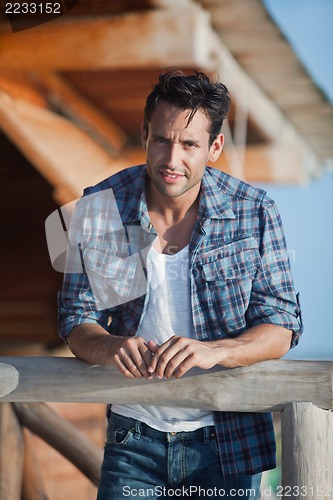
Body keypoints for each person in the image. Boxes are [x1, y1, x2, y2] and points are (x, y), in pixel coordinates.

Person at [58, 69, 302, 499]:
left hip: (228, 441)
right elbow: (76, 318)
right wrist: (110, 345)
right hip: (133, 438)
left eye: (189, 144)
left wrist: (214, 350)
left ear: (214, 148)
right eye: (162, 140)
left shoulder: (256, 211)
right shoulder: (102, 205)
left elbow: (281, 326)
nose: (172, 160)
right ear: (145, 133)